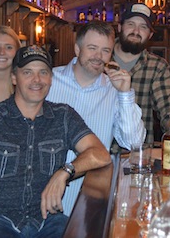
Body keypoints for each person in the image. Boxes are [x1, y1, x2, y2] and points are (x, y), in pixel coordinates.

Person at [0, 45, 111, 238]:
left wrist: (65, 172)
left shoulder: (63, 116)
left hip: (46, 221)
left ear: (51, 79)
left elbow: (100, 154)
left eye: (43, 72)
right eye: (27, 72)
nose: (37, 80)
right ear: (14, 77)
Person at [46, 20, 145, 215]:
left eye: (105, 51)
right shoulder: (48, 80)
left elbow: (133, 142)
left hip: (90, 199)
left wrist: (125, 94)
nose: (98, 57)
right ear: (77, 49)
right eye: (92, 48)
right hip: (44, 194)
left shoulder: (114, 89)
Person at [113, 3, 170, 141]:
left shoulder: (157, 67)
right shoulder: (100, 58)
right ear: (120, 27)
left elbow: (167, 109)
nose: (136, 31)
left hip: (137, 155)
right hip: (98, 153)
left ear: (150, 34)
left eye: (143, 27)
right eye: (130, 24)